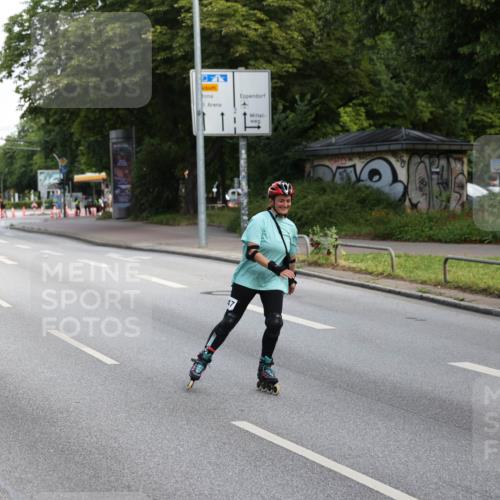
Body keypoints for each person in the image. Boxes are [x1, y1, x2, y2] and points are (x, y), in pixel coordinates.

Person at [187, 180, 298, 394]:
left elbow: (291, 257)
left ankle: (265, 367)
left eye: (287, 200)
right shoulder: (259, 221)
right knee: (230, 319)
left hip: (272, 281)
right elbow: (252, 252)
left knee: (275, 322)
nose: (284, 203)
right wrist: (276, 268)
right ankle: (203, 357)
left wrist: (292, 278)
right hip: (247, 278)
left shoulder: (291, 226)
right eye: (280, 200)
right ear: (272, 201)